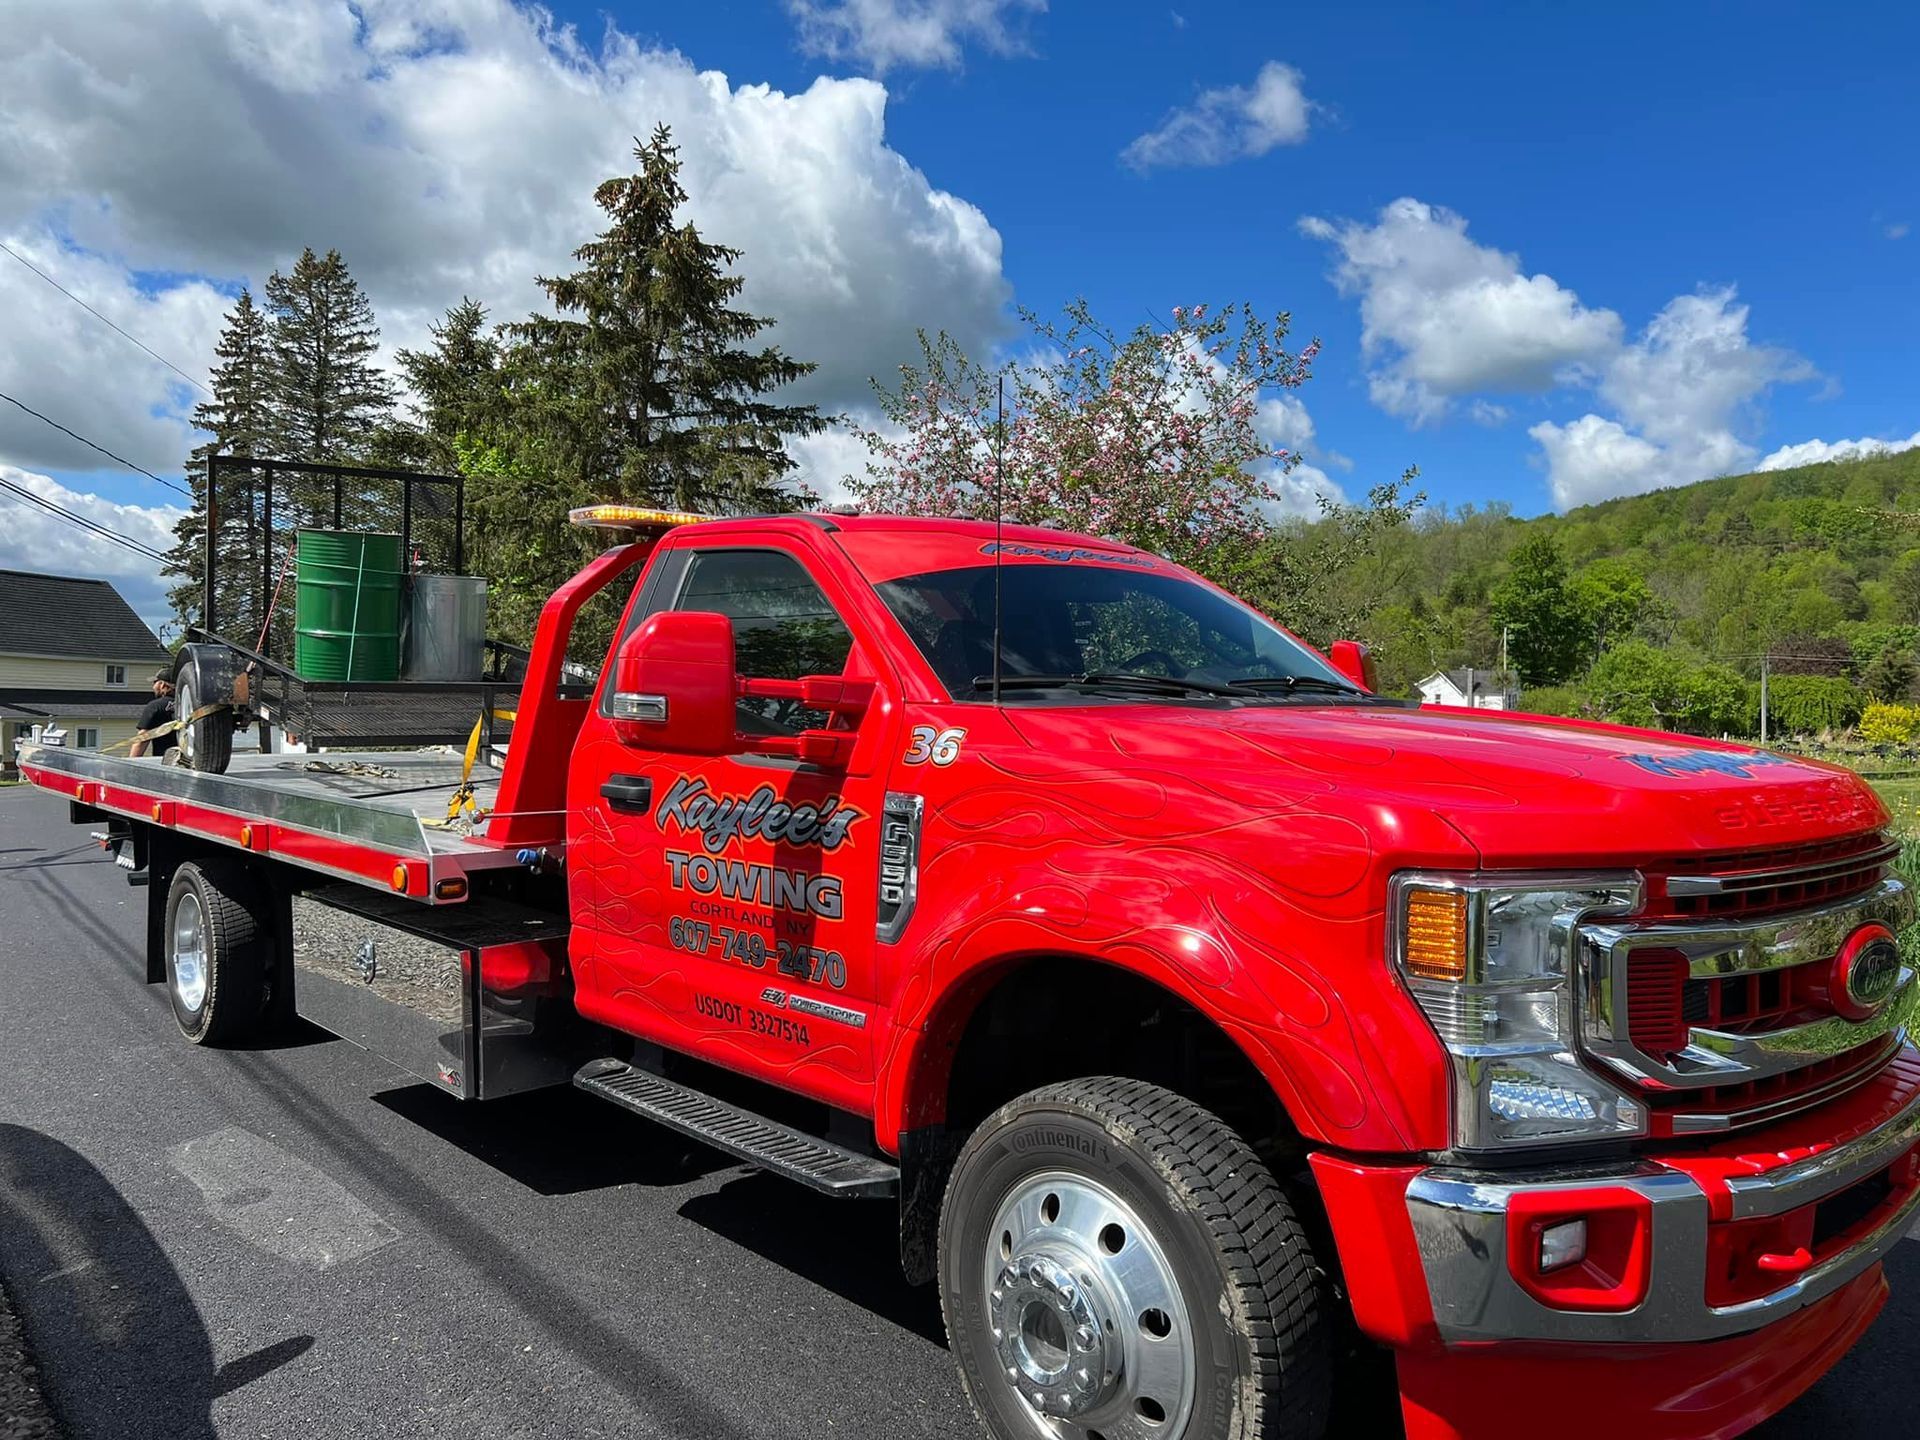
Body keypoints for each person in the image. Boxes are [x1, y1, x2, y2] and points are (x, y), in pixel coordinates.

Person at [130, 670, 177, 759]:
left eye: (155, 682)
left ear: (162, 684)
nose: (153, 687)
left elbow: (143, 738)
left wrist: (131, 763)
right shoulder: (189, 705)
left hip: (165, 761)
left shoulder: (156, 706)